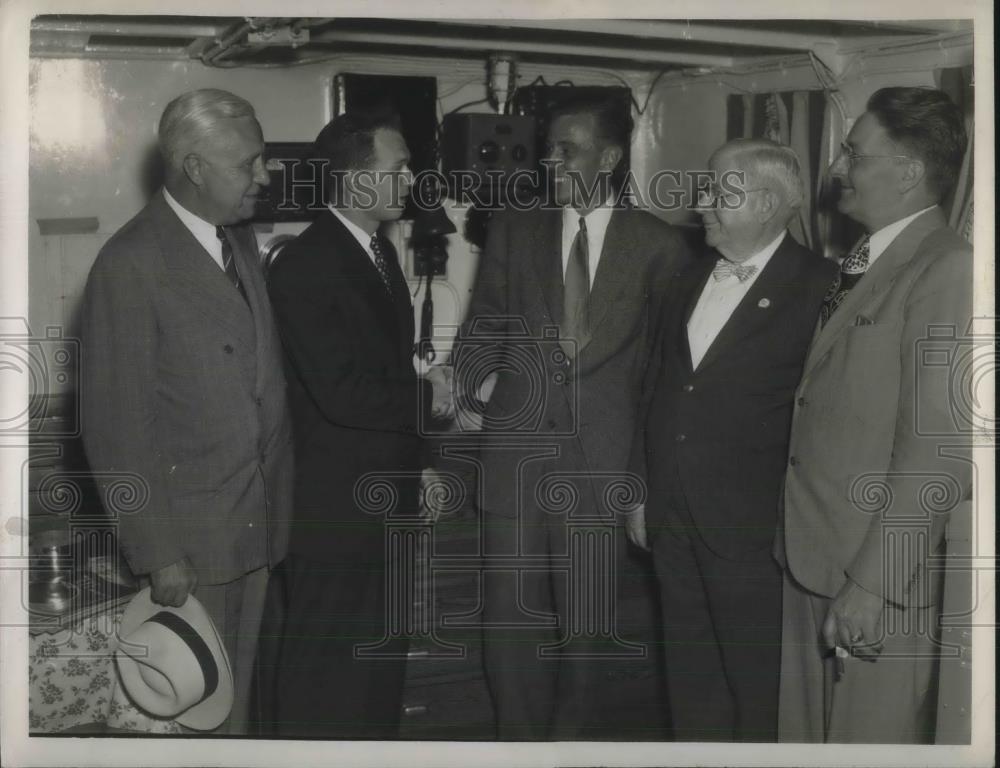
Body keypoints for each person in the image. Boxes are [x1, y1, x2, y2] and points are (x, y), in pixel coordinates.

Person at [453, 98, 692, 739]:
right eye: (550, 148)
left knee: (586, 626)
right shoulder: (514, 226)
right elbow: (483, 324)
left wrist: (644, 477)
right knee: (509, 623)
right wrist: (470, 387)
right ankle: (517, 746)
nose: (552, 160)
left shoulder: (661, 247)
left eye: (569, 149)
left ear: (610, 158)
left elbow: (663, 376)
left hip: (602, 462)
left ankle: (568, 747)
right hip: (514, 457)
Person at [79, 88, 294, 735]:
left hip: (257, 526)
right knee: (202, 726)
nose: (266, 174)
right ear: (194, 168)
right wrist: (158, 550)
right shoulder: (131, 262)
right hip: (194, 546)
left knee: (244, 713)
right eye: (249, 163)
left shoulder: (240, 243)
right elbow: (115, 425)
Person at [775, 86, 972, 743]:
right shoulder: (866, 260)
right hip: (812, 557)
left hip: (876, 578)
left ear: (909, 172)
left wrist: (872, 586)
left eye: (856, 154)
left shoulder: (947, 269)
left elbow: (938, 452)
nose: (837, 168)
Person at [625, 139, 836, 741]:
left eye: (719, 191)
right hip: (672, 514)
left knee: (757, 687)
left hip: (754, 527)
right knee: (690, 679)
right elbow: (657, 389)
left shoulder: (822, 287)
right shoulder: (687, 278)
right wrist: (641, 489)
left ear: (766, 203)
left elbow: (824, 418)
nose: (701, 203)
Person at [264, 112, 446, 738]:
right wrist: (432, 398)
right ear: (354, 180)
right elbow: (343, 394)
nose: (412, 178)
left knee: (377, 670)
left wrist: (419, 461)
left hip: (381, 501)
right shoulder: (307, 263)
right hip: (333, 513)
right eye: (398, 168)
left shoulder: (377, 253)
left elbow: (385, 369)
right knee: (324, 678)